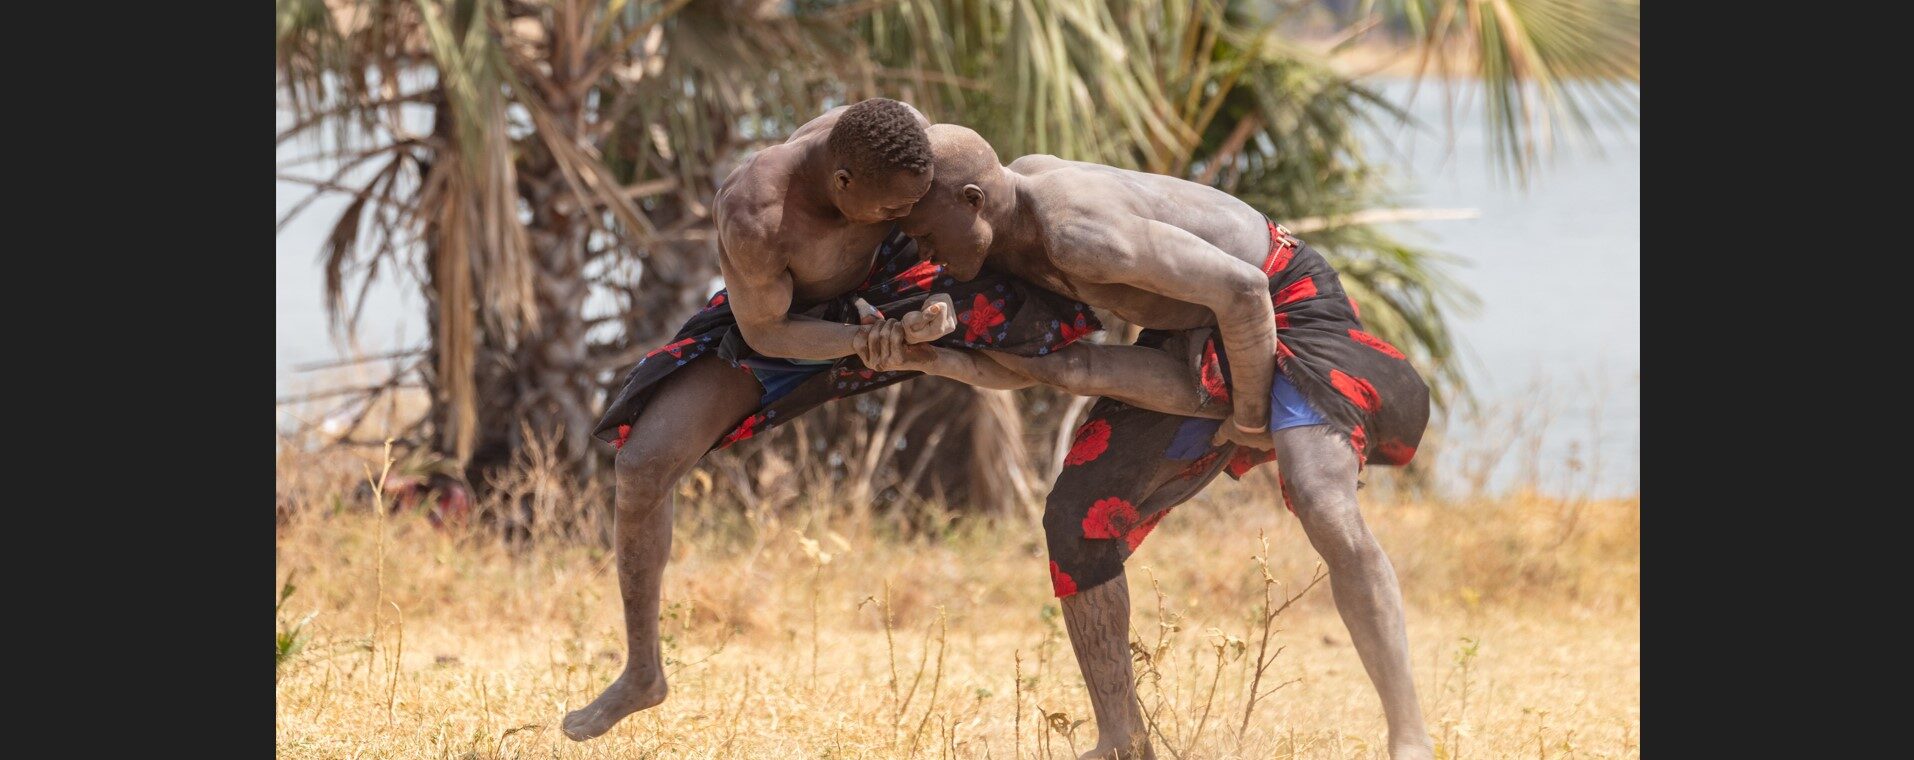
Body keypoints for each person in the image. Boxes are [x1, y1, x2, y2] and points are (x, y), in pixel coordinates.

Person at [854, 124, 1434, 759]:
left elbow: (1244, 291)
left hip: (1281, 303)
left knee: (1322, 499)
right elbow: (1034, 368)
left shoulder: (1076, 232)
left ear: (972, 201)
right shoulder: (999, 229)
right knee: (1076, 518)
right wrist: (927, 356)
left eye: (926, 235)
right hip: (1191, 333)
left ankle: (1409, 736)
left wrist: (1247, 415)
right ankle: (1123, 741)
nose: (925, 254)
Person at [562, 101, 1104, 741]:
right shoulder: (757, 214)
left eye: (912, 205)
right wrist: (858, 340)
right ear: (843, 182)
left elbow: (953, 220)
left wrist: (934, 310)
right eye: (892, 209)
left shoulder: (903, 149)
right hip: (790, 325)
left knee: (1044, 317)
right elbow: (766, 331)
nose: (904, 216)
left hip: (900, 290)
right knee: (641, 466)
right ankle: (642, 673)